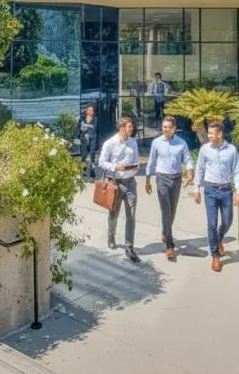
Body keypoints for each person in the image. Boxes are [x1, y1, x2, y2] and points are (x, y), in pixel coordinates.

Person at [193, 122, 239, 273]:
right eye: (208, 134)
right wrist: (196, 189)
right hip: (210, 190)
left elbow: (237, 171)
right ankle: (215, 256)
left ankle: (219, 238)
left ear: (220, 134)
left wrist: (238, 191)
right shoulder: (205, 150)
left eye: (211, 134)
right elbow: (199, 169)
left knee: (227, 221)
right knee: (211, 224)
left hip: (226, 190)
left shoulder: (232, 150)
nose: (209, 136)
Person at [144, 116, 193, 260]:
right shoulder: (156, 142)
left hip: (176, 179)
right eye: (163, 127)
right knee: (165, 210)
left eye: (168, 127)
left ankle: (165, 231)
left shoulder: (181, 143)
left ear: (174, 128)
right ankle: (170, 246)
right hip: (162, 179)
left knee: (172, 210)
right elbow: (151, 162)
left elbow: (188, 159)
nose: (165, 129)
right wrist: (147, 179)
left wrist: (190, 173)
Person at [99, 117, 141, 263]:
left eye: (132, 127)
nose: (131, 129)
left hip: (130, 183)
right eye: (129, 127)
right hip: (115, 184)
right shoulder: (110, 143)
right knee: (113, 214)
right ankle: (111, 236)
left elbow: (136, 159)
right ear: (121, 128)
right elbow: (102, 162)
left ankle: (129, 246)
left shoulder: (133, 142)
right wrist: (116, 166)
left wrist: (135, 167)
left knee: (131, 215)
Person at [78, 104, 98, 177]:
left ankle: (92, 171)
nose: (91, 111)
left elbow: (94, 127)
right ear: (86, 111)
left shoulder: (95, 118)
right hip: (83, 138)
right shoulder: (82, 118)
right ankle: (84, 170)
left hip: (92, 138)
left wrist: (85, 126)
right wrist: (77, 136)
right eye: (89, 110)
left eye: (92, 110)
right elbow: (79, 127)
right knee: (83, 155)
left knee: (92, 155)